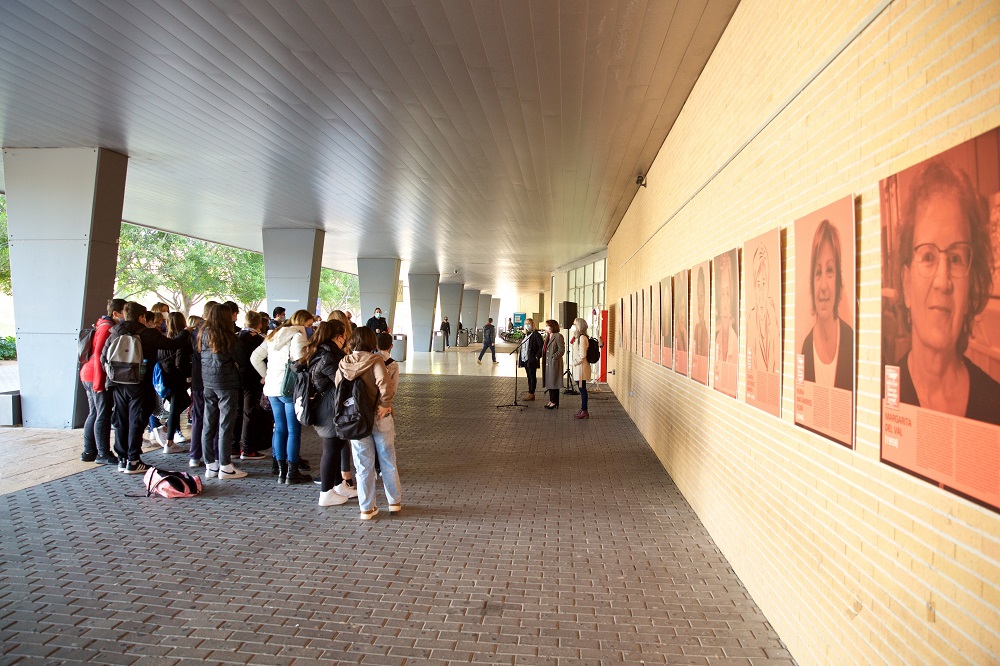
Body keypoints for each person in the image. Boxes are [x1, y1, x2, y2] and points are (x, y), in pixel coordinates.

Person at [894, 160, 999, 424]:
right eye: (928, 256)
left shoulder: (995, 406)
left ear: (972, 283)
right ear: (906, 285)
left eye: (955, 258)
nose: (943, 281)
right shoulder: (878, 397)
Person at [101, 301, 188, 474]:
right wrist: (185, 332)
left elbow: (104, 357)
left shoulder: (114, 333)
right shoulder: (147, 333)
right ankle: (133, 460)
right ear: (141, 317)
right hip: (139, 383)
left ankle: (123, 459)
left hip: (118, 383)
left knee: (121, 420)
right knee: (136, 420)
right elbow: (172, 345)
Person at [336, 326, 399, 520]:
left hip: (355, 419)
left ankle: (366, 508)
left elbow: (338, 389)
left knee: (363, 465)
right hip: (379, 417)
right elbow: (386, 386)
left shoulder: (344, 363)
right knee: (387, 460)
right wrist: (384, 405)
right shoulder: (375, 361)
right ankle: (394, 502)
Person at [251, 309, 314, 484]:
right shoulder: (297, 336)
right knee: (293, 430)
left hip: (272, 388)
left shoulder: (273, 335)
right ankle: (292, 472)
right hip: (288, 389)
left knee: (279, 428)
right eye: (309, 325)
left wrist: (265, 375)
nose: (311, 328)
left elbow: (255, 357)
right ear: (302, 323)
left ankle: (280, 469)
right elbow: (300, 362)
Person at [302, 320, 355, 506]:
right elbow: (342, 381)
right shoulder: (329, 356)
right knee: (331, 449)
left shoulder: (321, 351)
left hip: (327, 406)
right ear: (338, 337)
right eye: (344, 337)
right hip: (328, 408)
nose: (345, 340)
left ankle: (338, 485)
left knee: (337, 446)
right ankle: (325, 493)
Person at [196, 302, 248, 480]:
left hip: (208, 382)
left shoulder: (203, 333)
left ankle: (210, 465)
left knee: (208, 423)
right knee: (225, 425)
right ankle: (225, 465)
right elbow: (242, 358)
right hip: (226, 383)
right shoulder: (228, 336)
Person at [801, 219, 854, 389]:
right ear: (812, 282)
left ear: (838, 280)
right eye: (818, 272)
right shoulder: (806, 348)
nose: (823, 285)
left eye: (829, 270)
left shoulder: (851, 341)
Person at [79, 298, 126, 465]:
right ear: (115, 313)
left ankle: (89, 451)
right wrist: (99, 383)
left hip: (89, 373)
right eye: (124, 312)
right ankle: (103, 453)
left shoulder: (102, 324)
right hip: (95, 375)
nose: (125, 316)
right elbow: (100, 354)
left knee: (94, 413)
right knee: (102, 414)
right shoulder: (107, 327)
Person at [157, 311, 192, 453]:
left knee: (180, 404)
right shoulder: (181, 341)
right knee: (177, 406)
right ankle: (169, 441)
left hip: (166, 378)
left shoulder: (164, 340)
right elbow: (180, 362)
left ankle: (167, 428)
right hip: (176, 378)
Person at [236, 311, 267, 460]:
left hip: (237, 379)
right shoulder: (259, 340)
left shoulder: (236, 337)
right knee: (249, 413)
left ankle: (234, 447)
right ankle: (248, 448)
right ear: (259, 324)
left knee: (237, 412)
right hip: (253, 380)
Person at [748, 243, 779, 373]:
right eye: (758, 284)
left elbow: (777, 358)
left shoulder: (772, 314)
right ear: (754, 286)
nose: (761, 291)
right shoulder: (751, 319)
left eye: (764, 284)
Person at [186, 313, 206, 468]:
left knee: (198, 417)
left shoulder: (191, 337)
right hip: (209, 382)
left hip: (197, 381)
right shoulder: (210, 336)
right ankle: (214, 457)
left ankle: (194, 455)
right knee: (213, 419)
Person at [715, 252, 738, 365]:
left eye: (728, 294)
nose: (724, 303)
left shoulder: (736, 343)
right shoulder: (715, 339)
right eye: (722, 294)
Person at [570, 318, 592, 418]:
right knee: (581, 388)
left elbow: (582, 354)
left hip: (581, 368)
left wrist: (575, 362)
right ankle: (583, 409)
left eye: (575, 324)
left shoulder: (582, 338)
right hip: (578, 367)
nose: (573, 326)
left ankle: (584, 410)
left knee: (582, 389)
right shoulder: (578, 337)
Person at [518, 318, 543, 401]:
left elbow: (541, 347)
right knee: (529, 376)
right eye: (525, 323)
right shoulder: (526, 335)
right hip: (525, 359)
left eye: (529, 323)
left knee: (532, 376)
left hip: (532, 359)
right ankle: (530, 393)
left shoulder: (536, 334)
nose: (527, 325)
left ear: (532, 324)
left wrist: (536, 357)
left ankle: (531, 393)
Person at [542, 319, 565, 409]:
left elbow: (561, 350)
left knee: (554, 382)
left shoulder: (558, 336)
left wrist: (553, 357)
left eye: (547, 326)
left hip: (554, 363)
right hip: (548, 362)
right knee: (549, 382)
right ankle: (551, 400)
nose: (546, 327)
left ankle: (554, 402)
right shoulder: (548, 336)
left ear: (552, 326)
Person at [693, 267, 709, 357]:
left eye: (702, 295)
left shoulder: (707, 331)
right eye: (698, 296)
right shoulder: (696, 329)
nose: (699, 301)